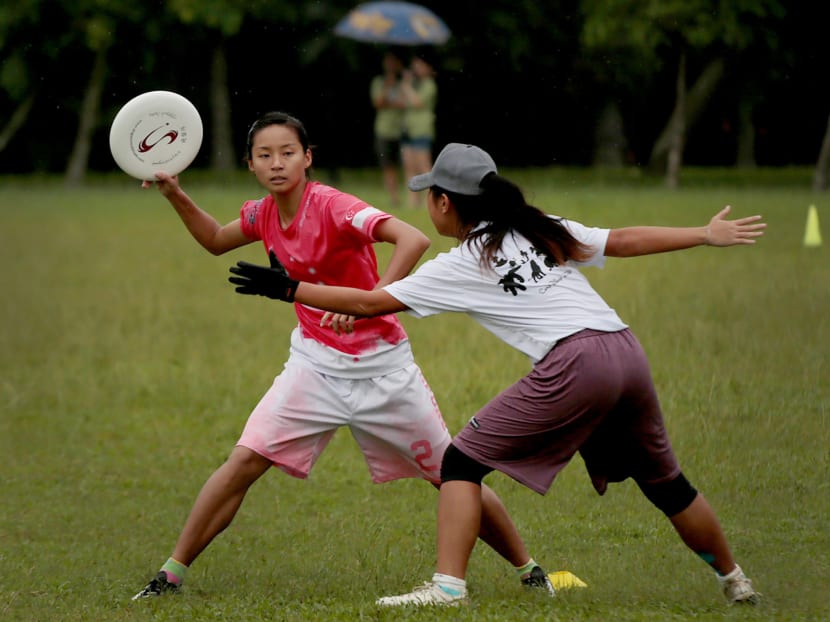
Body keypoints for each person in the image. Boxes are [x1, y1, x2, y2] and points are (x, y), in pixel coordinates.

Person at [227, 142, 766, 607]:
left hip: (576, 361)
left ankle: (447, 588)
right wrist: (703, 233)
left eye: (428, 197)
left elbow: (370, 304)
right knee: (667, 483)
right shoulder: (536, 227)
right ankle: (735, 580)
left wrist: (289, 288)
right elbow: (621, 240)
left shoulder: (462, 262)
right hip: (625, 351)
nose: (426, 207)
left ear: (444, 202)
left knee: (460, 460)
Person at [132, 117, 555, 600]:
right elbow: (213, 239)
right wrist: (173, 193)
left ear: (307, 157)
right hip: (312, 367)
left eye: (288, 152)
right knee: (243, 462)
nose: (276, 163)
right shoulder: (261, 215)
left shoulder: (333, 206)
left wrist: (371, 300)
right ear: (250, 164)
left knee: (451, 474)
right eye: (264, 155)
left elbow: (412, 238)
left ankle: (531, 570)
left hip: (384, 370)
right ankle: (170, 573)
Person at [400, 53, 438, 208]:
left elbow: (417, 102)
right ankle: (413, 201)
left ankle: (430, 200)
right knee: (409, 165)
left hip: (422, 129)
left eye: (420, 65)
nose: (417, 69)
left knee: (423, 166)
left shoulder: (429, 84)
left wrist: (406, 85)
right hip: (408, 129)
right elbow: (402, 102)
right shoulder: (413, 84)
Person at [370, 50, 406, 208]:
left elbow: (405, 104)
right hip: (384, 130)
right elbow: (378, 103)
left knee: (405, 165)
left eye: (394, 62)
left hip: (401, 130)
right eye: (388, 62)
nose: (391, 66)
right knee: (388, 166)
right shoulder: (379, 82)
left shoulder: (404, 83)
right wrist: (387, 87)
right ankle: (394, 197)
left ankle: (410, 197)